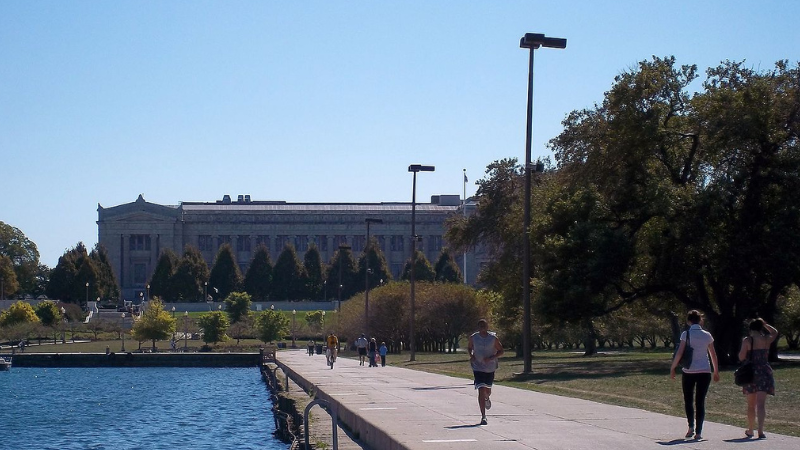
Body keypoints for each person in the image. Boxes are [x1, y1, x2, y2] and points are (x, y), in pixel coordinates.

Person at [670, 310, 720, 441]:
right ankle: (699, 432)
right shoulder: (707, 335)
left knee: (688, 400)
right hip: (704, 371)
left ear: (688, 321)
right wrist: (716, 371)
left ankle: (691, 427)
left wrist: (673, 367)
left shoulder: (685, 334)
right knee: (700, 401)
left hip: (689, 371)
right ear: (700, 321)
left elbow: (680, 353)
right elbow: (713, 354)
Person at [738, 318, 778, 439]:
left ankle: (750, 429)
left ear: (750, 329)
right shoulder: (766, 339)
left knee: (751, 405)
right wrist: (765, 324)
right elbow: (775, 332)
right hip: (765, 372)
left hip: (751, 373)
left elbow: (741, 357)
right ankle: (761, 430)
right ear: (760, 328)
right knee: (761, 404)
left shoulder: (747, 340)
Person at [468, 319, 503, 425]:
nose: (482, 328)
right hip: (478, 367)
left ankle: (487, 397)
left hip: (490, 367)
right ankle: (483, 416)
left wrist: (492, 357)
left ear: (487, 327)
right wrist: (472, 356)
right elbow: (470, 348)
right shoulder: (473, 337)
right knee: (481, 389)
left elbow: (501, 351)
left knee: (487, 390)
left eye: (484, 326)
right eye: (480, 326)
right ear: (478, 327)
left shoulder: (493, 338)